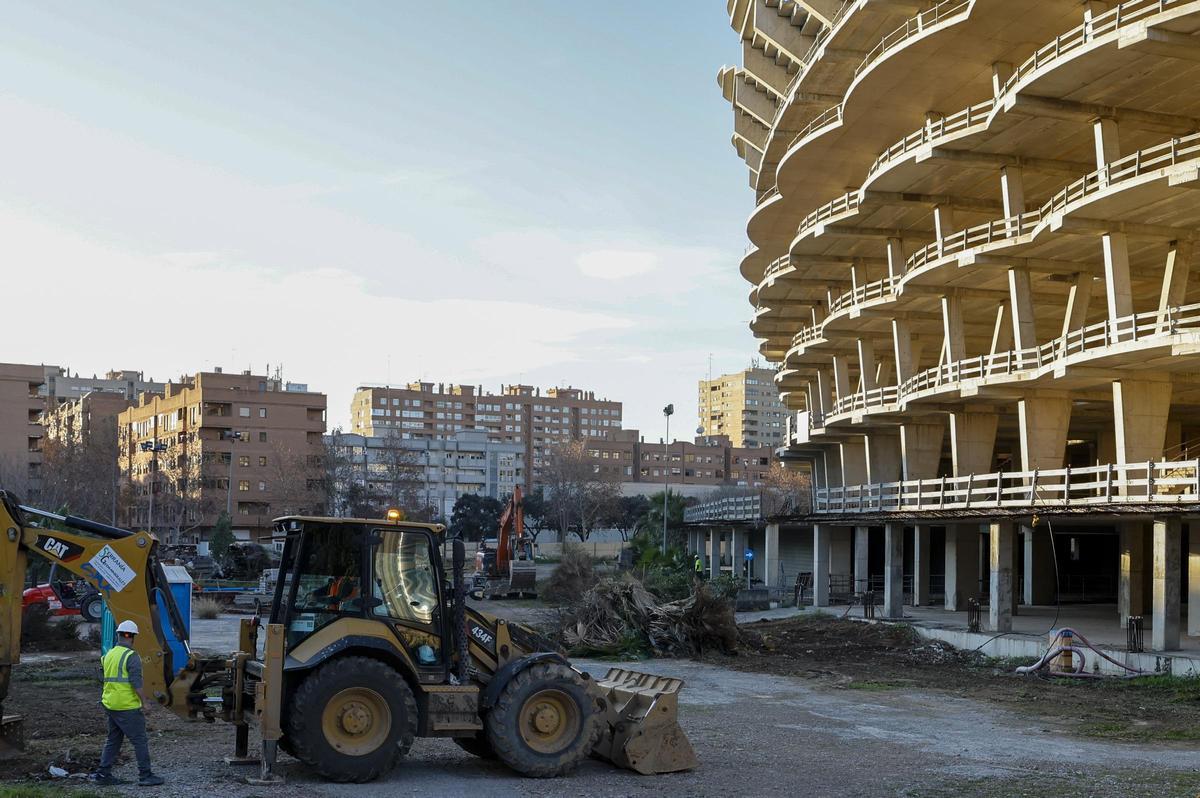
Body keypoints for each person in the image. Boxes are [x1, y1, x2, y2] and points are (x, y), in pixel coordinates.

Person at [93, 620, 165, 787]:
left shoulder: (109, 654)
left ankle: (103, 774)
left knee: (113, 739)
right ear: (133, 637)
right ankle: (145, 775)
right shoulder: (131, 657)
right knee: (139, 740)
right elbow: (136, 682)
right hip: (127, 706)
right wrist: (145, 702)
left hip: (110, 704)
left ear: (118, 635)